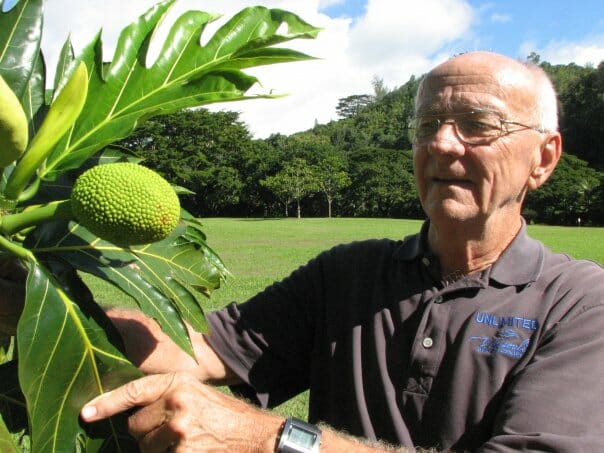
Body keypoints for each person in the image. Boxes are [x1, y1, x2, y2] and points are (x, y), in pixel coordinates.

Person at [13, 50, 604, 451]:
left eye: (478, 124)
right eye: (428, 124)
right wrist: (30, 299)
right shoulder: (349, 274)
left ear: (544, 158)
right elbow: (198, 350)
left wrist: (269, 438)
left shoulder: (580, 305)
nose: (443, 144)